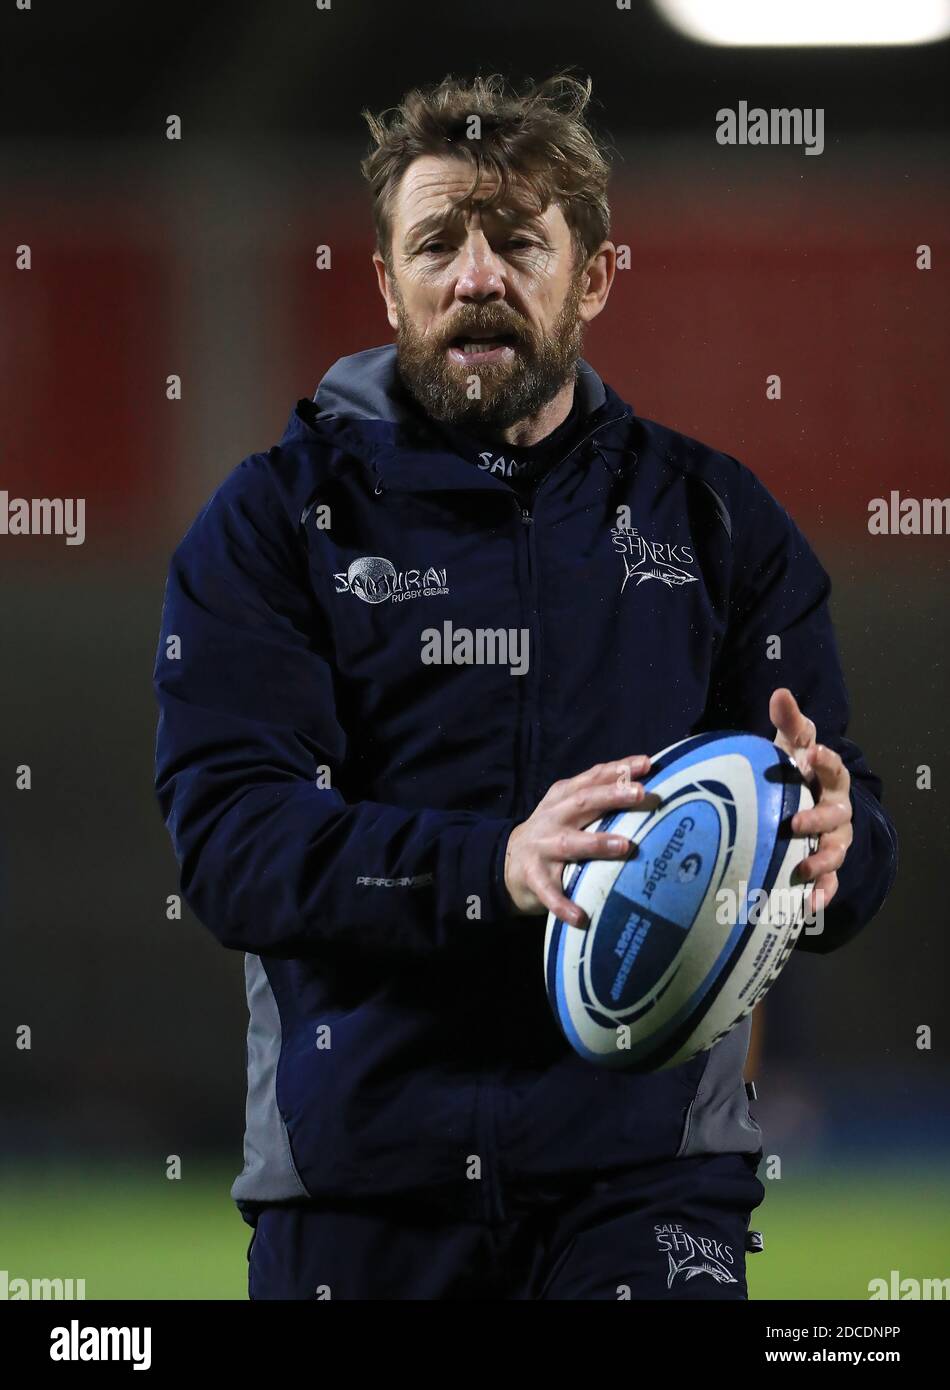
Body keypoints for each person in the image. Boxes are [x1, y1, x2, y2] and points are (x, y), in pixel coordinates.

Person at [152, 72, 898, 1300]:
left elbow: (852, 836)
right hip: (358, 1190)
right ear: (388, 283)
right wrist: (492, 865)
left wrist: (831, 844)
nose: (476, 275)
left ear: (593, 276)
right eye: (437, 242)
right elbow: (231, 842)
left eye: (517, 240)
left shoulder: (718, 524)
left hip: (646, 1185)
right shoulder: (273, 525)